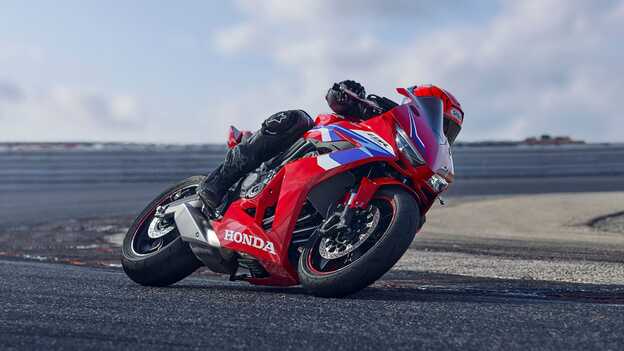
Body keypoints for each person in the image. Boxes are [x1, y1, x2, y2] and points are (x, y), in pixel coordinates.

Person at [198, 80, 463, 212]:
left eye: (448, 130)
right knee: (296, 119)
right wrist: (348, 93)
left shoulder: (421, 159)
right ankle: (218, 182)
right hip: (331, 142)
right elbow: (337, 98)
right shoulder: (387, 111)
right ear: (418, 106)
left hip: (375, 168)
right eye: (441, 121)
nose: (440, 131)